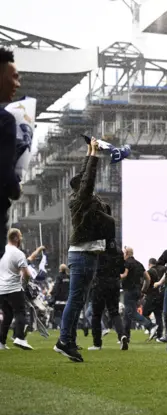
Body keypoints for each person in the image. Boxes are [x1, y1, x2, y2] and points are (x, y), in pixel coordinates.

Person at [55, 138, 115, 363]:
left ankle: (68, 341)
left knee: (78, 301)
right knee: (75, 300)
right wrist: (95, 156)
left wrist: (90, 150)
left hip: (86, 254)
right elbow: (87, 177)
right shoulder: (82, 198)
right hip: (82, 255)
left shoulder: (81, 199)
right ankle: (63, 341)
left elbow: (84, 175)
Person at [0, 47, 22, 260]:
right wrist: (16, 187)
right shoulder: (5, 120)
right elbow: (5, 173)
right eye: (14, 77)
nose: (18, 83)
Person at [0, 228, 33, 350]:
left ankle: (1, 342)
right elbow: (27, 274)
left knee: (7, 315)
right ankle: (20, 338)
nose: (21, 240)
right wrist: (24, 285)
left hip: (1, 290)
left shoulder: (2, 251)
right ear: (15, 238)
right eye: (20, 237)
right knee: (20, 312)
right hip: (14, 288)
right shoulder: (18, 253)